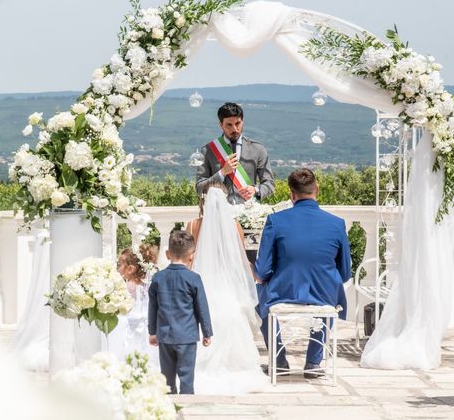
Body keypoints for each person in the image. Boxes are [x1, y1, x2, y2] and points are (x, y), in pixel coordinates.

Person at [254, 168, 351, 377]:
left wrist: (267, 279)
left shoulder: (276, 221)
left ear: (291, 193)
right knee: (331, 294)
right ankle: (313, 362)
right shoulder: (337, 224)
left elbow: (261, 270)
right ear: (317, 189)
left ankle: (278, 362)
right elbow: (344, 272)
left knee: (259, 296)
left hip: (283, 290)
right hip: (323, 293)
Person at [186, 182, 267, 394]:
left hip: (201, 284)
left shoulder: (193, 225)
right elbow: (239, 260)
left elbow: (189, 260)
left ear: (203, 200)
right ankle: (234, 364)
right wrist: (252, 278)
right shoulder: (235, 226)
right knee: (232, 316)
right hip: (227, 284)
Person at [148, 231, 213, 395]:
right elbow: (202, 308)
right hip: (187, 336)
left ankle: (170, 411)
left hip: (165, 335)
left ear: (167, 254)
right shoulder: (194, 278)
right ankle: (187, 409)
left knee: (167, 380)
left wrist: (152, 332)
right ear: (191, 256)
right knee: (186, 378)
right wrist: (207, 333)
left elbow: (152, 307)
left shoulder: (158, 278)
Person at [196, 102, 275, 205]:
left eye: (237, 123)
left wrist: (255, 189)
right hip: (218, 213)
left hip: (248, 213)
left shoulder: (258, 149)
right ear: (221, 125)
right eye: (229, 125)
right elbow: (199, 188)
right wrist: (222, 172)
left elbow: (270, 184)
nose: (234, 129)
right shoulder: (207, 151)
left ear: (242, 122)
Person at [107, 245, 159, 361]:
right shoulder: (145, 284)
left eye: (119, 265)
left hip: (130, 326)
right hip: (146, 326)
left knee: (128, 353)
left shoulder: (128, 285)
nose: (117, 268)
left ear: (130, 269)